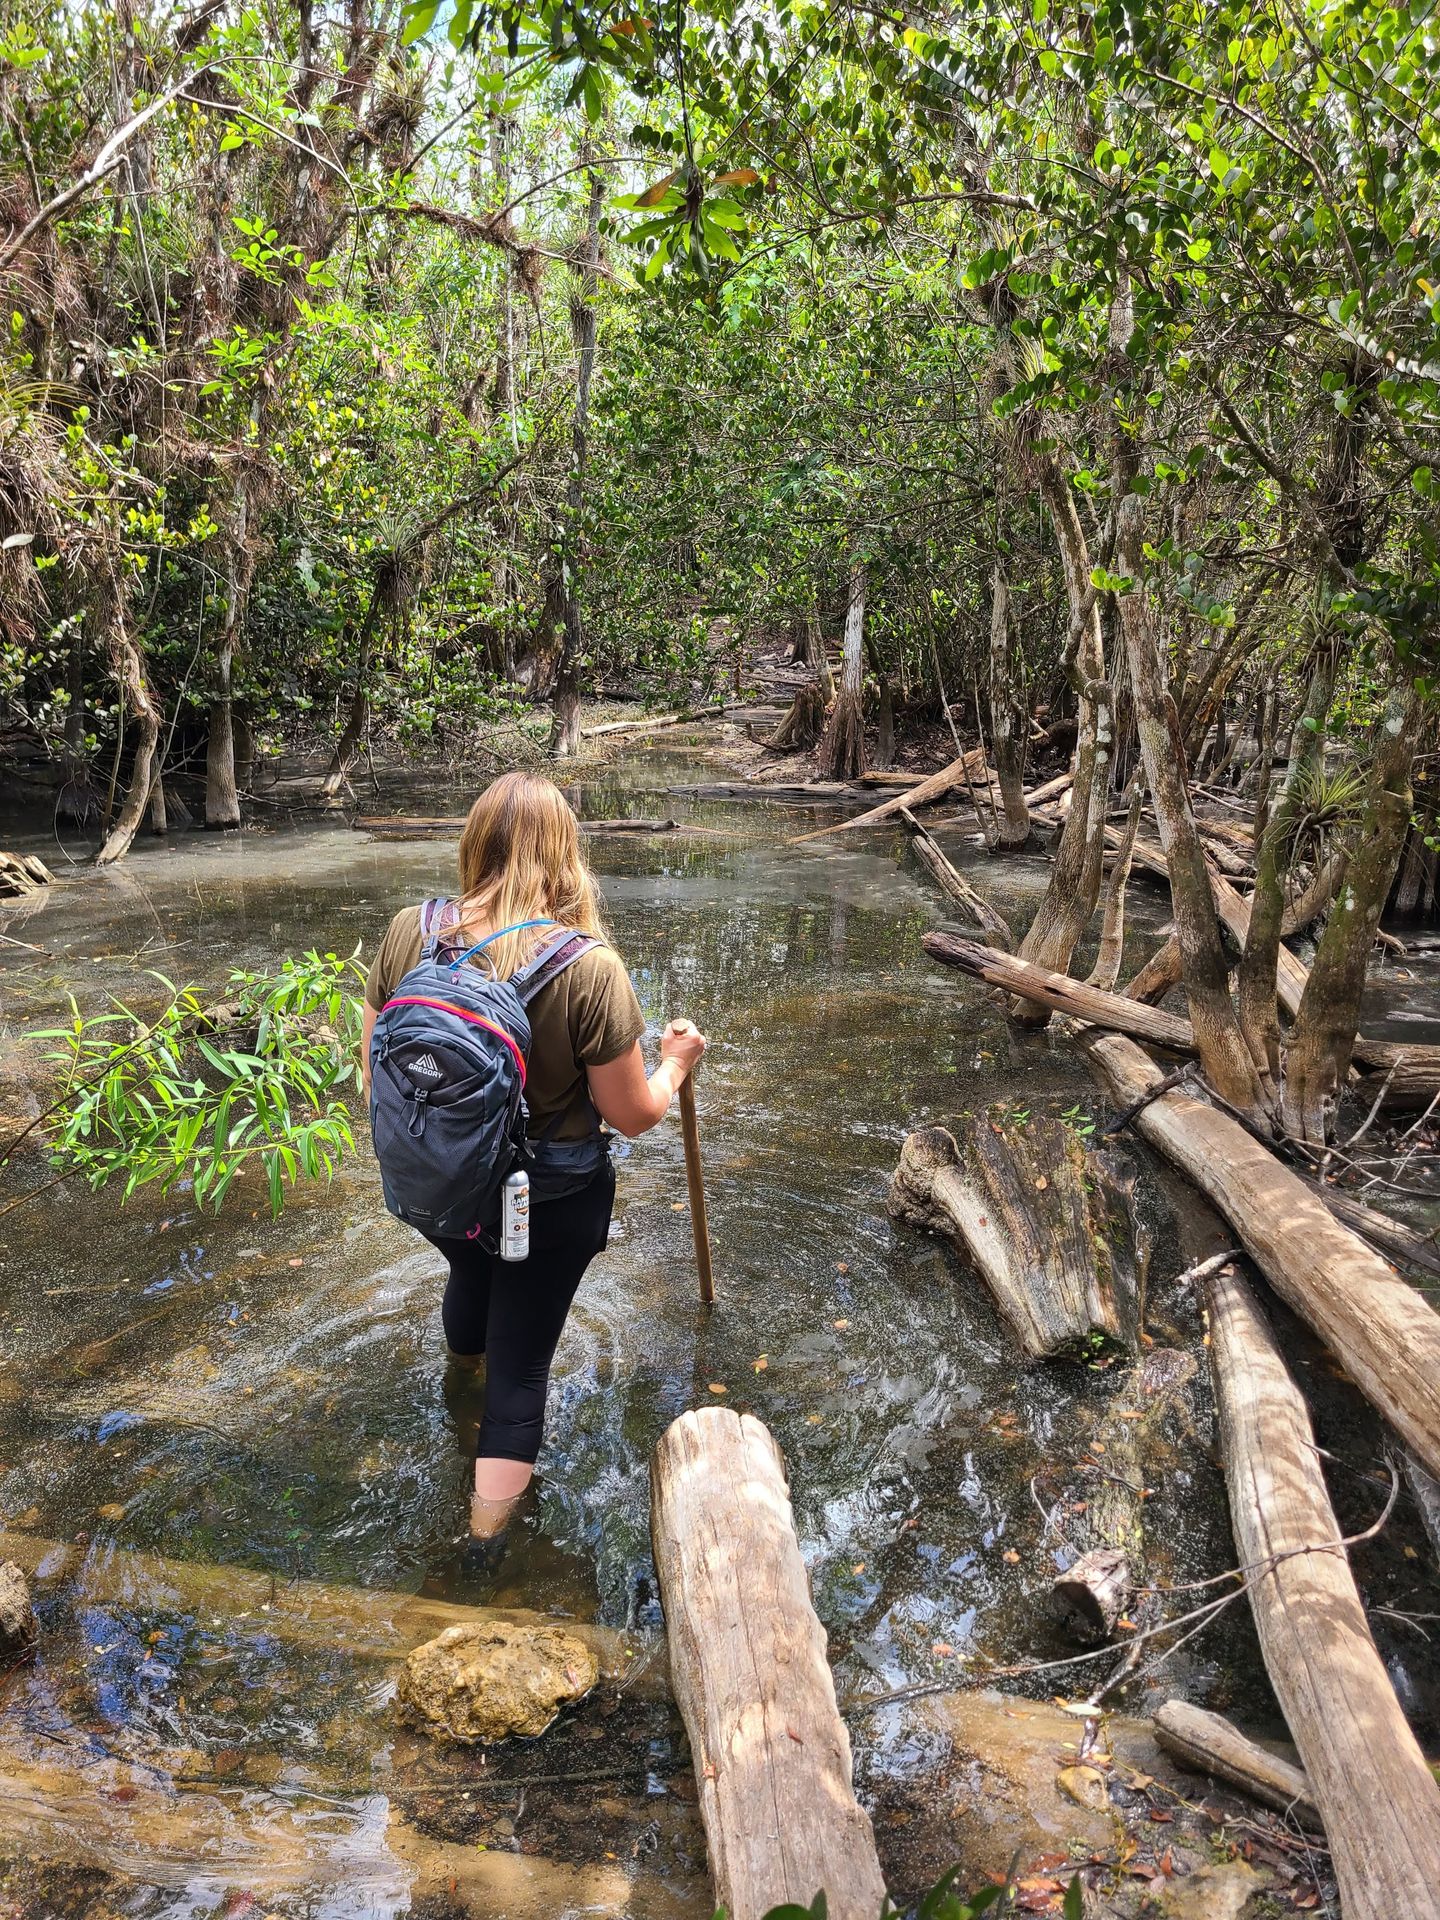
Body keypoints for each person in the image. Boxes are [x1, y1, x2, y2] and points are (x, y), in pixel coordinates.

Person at [361, 770, 706, 1553]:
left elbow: (372, 1072)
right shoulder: (588, 968)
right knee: (522, 1374)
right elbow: (634, 1114)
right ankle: (484, 1557)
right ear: (565, 856)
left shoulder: (408, 931)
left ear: (474, 844)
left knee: (473, 1277)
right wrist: (677, 1061)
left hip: (437, 1186)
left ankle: (459, 1388)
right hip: (545, 1205)